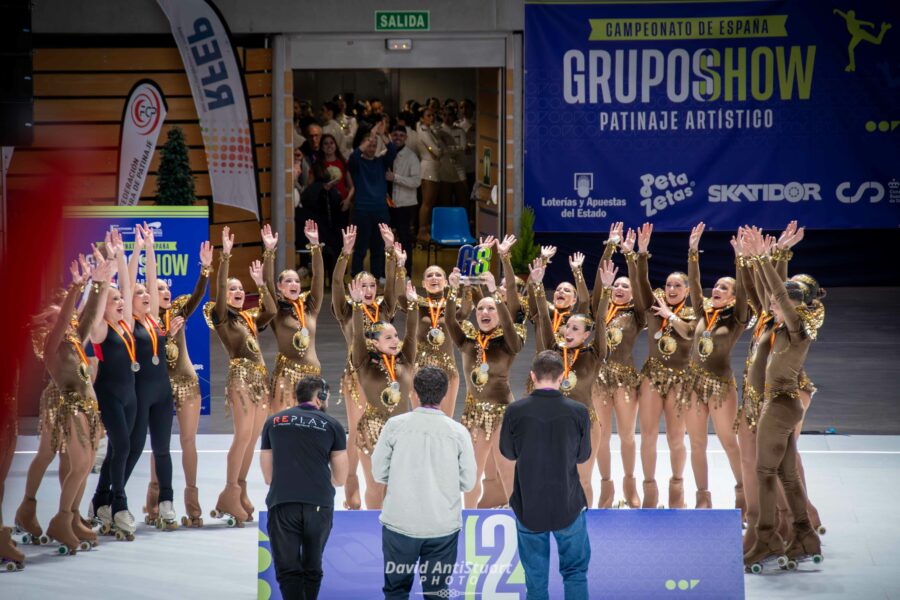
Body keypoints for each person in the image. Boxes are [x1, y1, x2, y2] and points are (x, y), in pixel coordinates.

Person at [741, 228, 825, 571]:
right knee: (787, 476)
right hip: (776, 405)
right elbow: (767, 292)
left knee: (764, 472)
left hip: (779, 405)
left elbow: (777, 290)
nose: (772, 303)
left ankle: (767, 539)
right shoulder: (776, 326)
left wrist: (764, 258)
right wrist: (767, 258)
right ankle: (805, 537)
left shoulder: (797, 328)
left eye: (780, 302)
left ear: (795, 305)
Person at [372, 367, 476, 599]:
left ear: (414, 393)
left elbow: (379, 473)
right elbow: (468, 482)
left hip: (400, 524)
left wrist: (401, 477)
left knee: (396, 591)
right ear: (445, 395)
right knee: (437, 593)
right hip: (442, 527)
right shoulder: (458, 432)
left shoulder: (395, 425)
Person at [500, 351, 592, 600]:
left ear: (532, 376)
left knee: (535, 582)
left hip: (529, 506)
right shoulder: (579, 411)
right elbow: (583, 456)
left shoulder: (515, 411)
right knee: (574, 573)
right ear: (562, 377)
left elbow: (507, 452)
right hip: (568, 505)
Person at [528, 257, 615, 506]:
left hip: (585, 422)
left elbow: (599, 321)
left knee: (583, 479)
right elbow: (544, 320)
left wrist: (606, 290)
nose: (568, 331)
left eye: (575, 329)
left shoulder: (594, 354)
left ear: (586, 335)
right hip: (553, 421)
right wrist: (536, 285)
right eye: (567, 326)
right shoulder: (554, 352)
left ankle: (586, 525)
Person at [205, 226, 277, 525]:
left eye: (239, 289)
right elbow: (220, 292)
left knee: (252, 440)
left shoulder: (248, 318)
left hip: (260, 380)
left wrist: (261, 284)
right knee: (241, 436)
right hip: (241, 378)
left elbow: (271, 310)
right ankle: (230, 490)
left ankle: (240, 490)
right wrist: (226, 257)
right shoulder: (221, 317)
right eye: (232, 289)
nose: (235, 292)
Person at [260, 376, 348, 600]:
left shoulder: (273, 421)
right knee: (312, 566)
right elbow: (340, 478)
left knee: (288, 569)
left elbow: (268, 476)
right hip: (319, 503)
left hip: (283, 502)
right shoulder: (333, 426)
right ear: (321, 397)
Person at [445, 261, 524, 508]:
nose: (484, 312)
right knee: (471, 475)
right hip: (474, 415)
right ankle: (469, 519)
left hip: (503, 413)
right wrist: (452, 290)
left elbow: (513, 333)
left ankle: (517, 521)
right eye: (480, 309)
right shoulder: (466, 340)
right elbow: (449, 321)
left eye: (491, 308)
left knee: (508, 471)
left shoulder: (510, 339)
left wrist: (496, 297)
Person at [628, 223, 696, 509]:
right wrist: (641, 254)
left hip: (681, 379)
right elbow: (640, 285)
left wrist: (672, 315)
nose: (670, 289)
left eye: (677, 285)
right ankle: (649, 489)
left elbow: (690, 334)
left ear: (688, 289)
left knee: (676, 437)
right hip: (652, 377)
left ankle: (677, 486)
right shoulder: (653, 307)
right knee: (649, 435)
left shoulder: (693, 313)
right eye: (668, 285)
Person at [331, 225, 398, 509]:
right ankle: (351, 489)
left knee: (382, 431)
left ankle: (382, 486)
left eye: (372, 285)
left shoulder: (385, 309)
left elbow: (394, 286)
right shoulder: (347, 310)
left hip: (385, 377)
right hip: (357, 377)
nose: (368, 290)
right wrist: (345, 254)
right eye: (362, 285)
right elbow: (335, 285)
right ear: (354, 288)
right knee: (357, 430)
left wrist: (390, 250)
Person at [684, 222, 748, 509]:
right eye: (717, 286)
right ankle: (702, 498)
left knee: (728, 442)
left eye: (724, 287)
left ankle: (744, 495)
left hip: (721, 386)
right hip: (692, 385)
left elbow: (746, 291)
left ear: (733, 296)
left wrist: (741, 260)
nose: (717, 289)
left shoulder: (736, 318)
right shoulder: (702, 311)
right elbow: (695, 284)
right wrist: (693, 251)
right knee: (696, 443)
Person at [149, 240, 213, 527]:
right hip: (158, 386)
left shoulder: (178, 311)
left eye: (166, 288)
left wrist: (205, 269)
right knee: (159, 444)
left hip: (186, 382)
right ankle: (154, 503)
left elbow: (198, 295)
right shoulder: (144, 320)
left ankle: (192, 502)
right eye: (159, 288)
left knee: (189, 440)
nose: (165, 291)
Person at [347, 277, 419, 509]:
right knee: (376, 485)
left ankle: (395, 528)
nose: (395, 341)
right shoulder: (364, 363)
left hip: (402, 429)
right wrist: (357, 307)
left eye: (395, 337)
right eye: (388, 337)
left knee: (398, 485)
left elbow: (411, 333)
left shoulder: (405, 360)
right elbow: (358, 336)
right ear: (375, 344)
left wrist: (414, 305)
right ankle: (374, 528)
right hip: (372, 429)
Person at [591, 223, 643, 508]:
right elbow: (601, 281)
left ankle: (630, 484)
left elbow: (640, 284)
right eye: (617, 285)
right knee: (600, 436)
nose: (620, 288)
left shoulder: (637, 314)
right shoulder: (600, 307)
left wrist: (631, 257)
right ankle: (606, 487)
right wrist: (610, 248)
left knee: (626, 435)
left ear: (634, 294)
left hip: (625, 380)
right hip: (597, 380)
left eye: (626, 286)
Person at [266, 222, 325, 414]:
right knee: (283, 425)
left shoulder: (310, 308)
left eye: (297, 281)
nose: (294, 283)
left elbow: (318, 278)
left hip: (312, 376)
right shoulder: (276, 310)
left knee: (312, 429)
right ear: (280, 287)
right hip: (286, 376)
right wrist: (269, 252)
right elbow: (266, 285)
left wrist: (315, 246)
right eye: (288, 281)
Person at [346, 124, 398, 280]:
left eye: (375, 145)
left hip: (380, 210)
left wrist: (382, 135)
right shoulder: (357, 162)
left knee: (378, 247)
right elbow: (353, 157)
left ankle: (377, 275)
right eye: (369, 144)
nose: (372, 147)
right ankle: (356, 275)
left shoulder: (380, 162)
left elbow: (393, 151)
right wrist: (370, 137)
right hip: (362, 210)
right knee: (360, 247)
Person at [386, 124, 421, 263]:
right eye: (395, 135)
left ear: (406, 138)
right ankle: (387, 272)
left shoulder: (412, 157)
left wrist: (395, 178)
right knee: (388, 239)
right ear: (391, 136)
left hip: (405, 204)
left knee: (405, 239)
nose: (398, 138)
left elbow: (416, 182)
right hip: (389, 203)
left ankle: (407, 272)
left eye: (401, 135)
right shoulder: (386, 154)